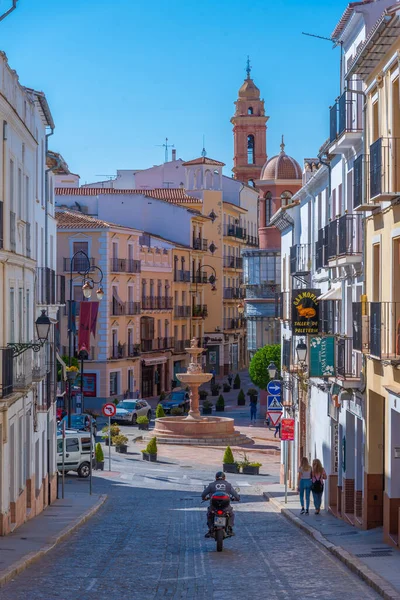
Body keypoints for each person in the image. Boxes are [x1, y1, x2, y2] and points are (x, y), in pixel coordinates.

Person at [201, 471, 240, 537]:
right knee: (231, 514)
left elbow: (203, 495)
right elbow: (236, 496)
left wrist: (205, 498)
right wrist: (236, 499)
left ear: (216, 478)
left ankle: (210, 529)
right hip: (225, 507)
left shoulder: (211, 485)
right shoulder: (228, 485)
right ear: (224, 478)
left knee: (209, 514)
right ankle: (230, 528)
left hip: (214, 506)